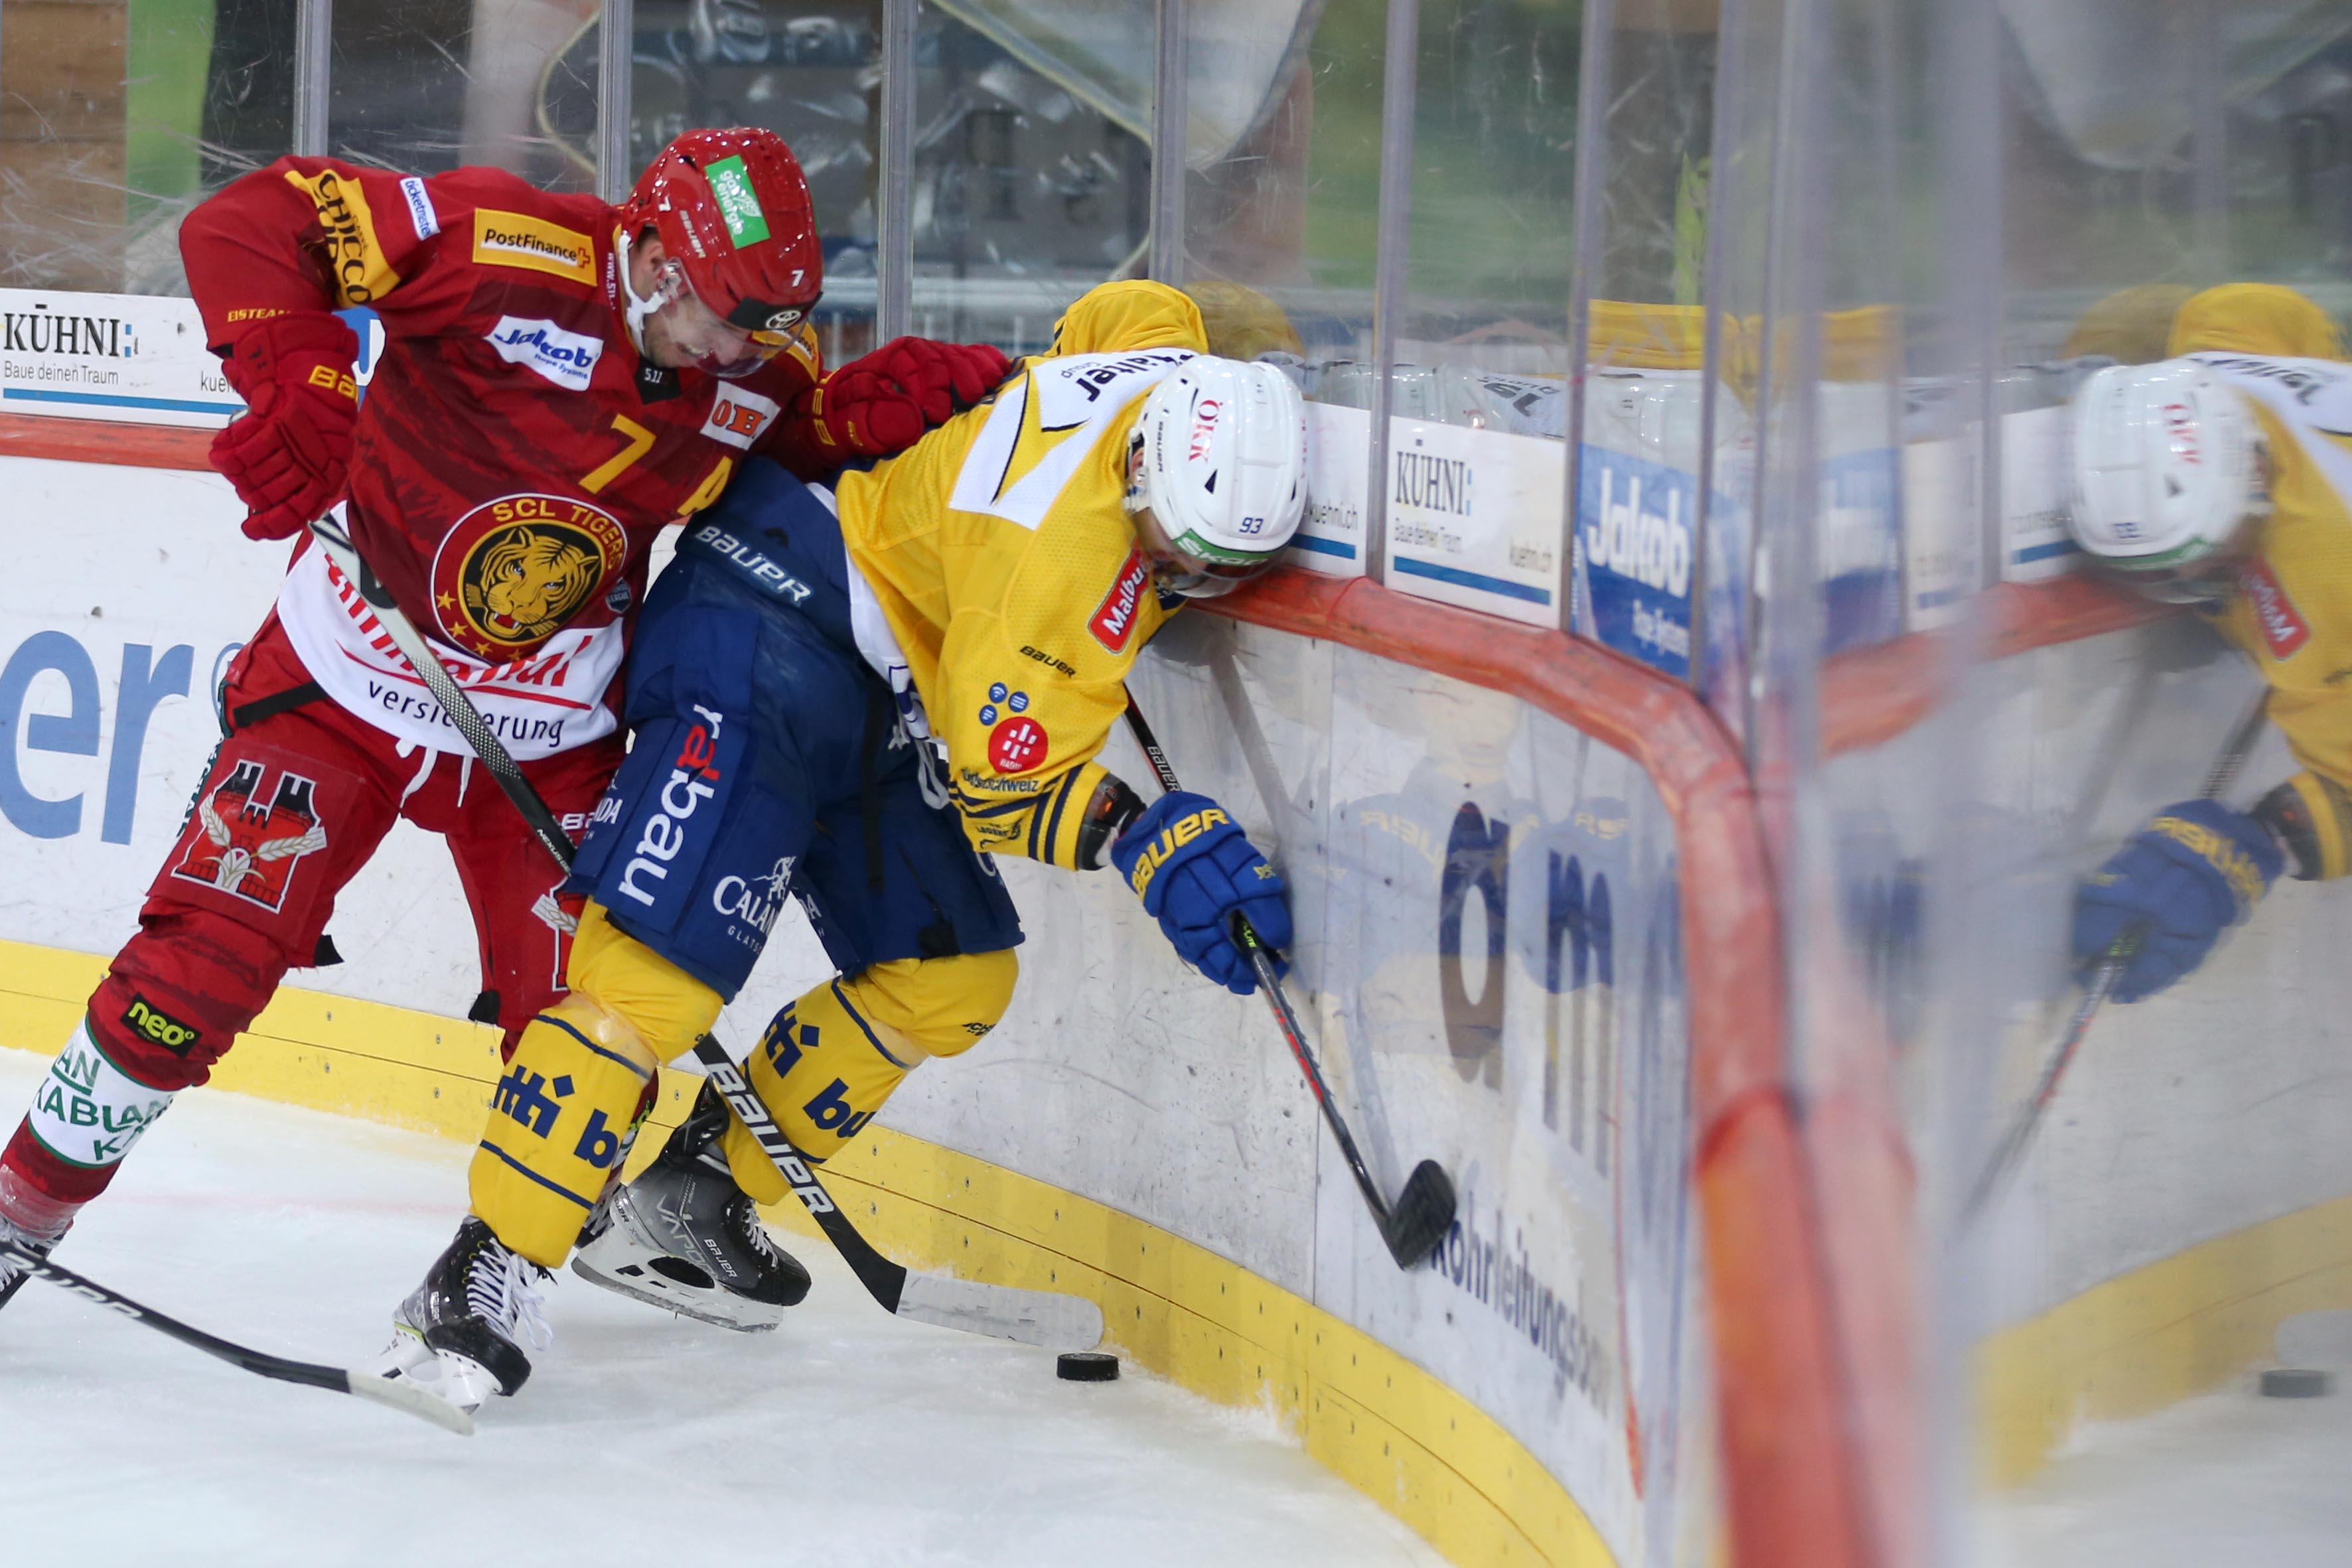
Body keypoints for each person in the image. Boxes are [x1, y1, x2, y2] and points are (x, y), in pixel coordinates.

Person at [0, 126, 1007, 1311]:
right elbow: (251, 220)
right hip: (348, 677)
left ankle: (504, 1267)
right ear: (658, 258)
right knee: (193, 972)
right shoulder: (501, 246)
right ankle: (23, 1207)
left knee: (594, 1030)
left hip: (554, 729)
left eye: (772, 321)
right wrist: (298, 378)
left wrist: (850, 424)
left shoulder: (754, 369)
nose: (743, 346)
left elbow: (770, 456)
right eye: (727, 313)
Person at [382, 279, 1306, 1406]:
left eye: (1214, 569)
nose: (1186, 581)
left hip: (878, 666)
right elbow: (1000, 786)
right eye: (1175, 552)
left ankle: (694, 1192)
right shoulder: (1053, 569)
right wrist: (1141, 835)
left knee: (951, 977)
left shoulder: (1163, 355)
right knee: (653, 982)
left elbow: (1125, 307)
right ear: (1140, 471)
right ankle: (483, 1266)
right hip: (760, 615)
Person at [2065, 282, 2352, 1001]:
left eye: (2204, 557)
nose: (2185, 584)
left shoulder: (2327, 588)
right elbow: (2274, 316)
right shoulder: (2218, 342)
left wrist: (2265, 838)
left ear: (2252, 480)